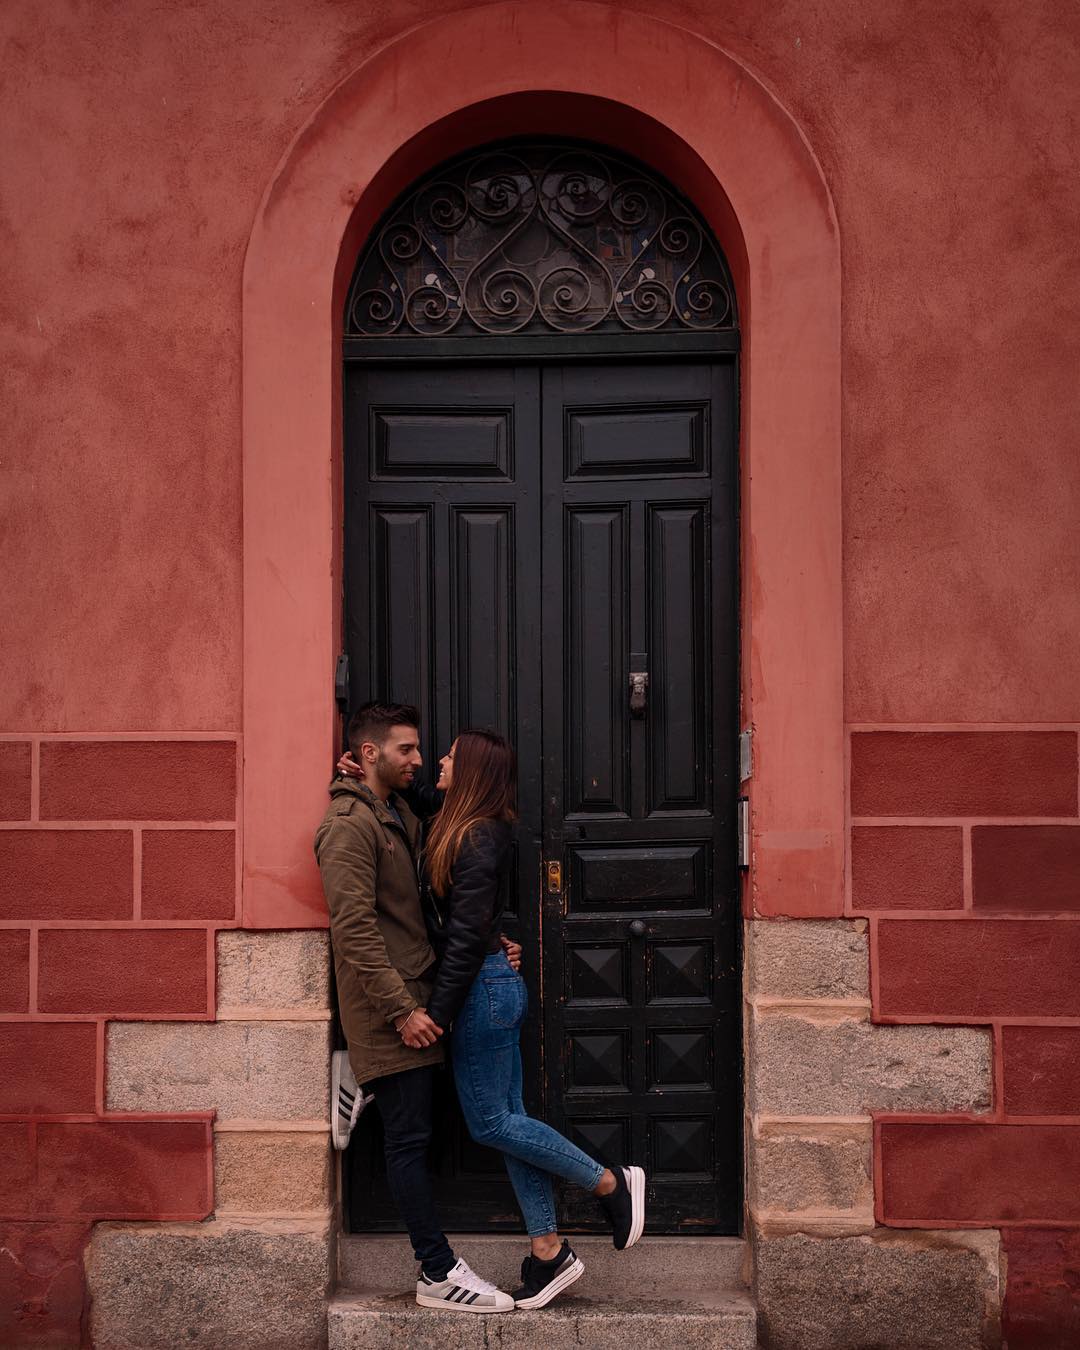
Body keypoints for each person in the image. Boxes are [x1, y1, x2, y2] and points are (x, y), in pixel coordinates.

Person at [345, 728, 646, 1310]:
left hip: (480, 991)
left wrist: (436, 1014)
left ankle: (610, 1182)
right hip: (486, 985)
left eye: (451, 756)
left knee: (490, 1124)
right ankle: (548, 1251)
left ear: (474, 771)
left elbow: (462, 941)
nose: (437, 760)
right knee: (509, 1121)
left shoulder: (480, 837)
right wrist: (364, 772)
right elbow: (420, 798)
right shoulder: (459, 820)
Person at [314, 702, 515, 1314]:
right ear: (369, 752)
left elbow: (427, 902)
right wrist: (401, 1011)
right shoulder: (348, 825)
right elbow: (353, 930)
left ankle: (358, 1078)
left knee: (420, 1132)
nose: (420, 760)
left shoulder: (396, 811)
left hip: (417, 996)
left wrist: (489, 940)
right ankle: (437, 1272)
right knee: (408, 1141)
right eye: (406, 749)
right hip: (391, 1012)